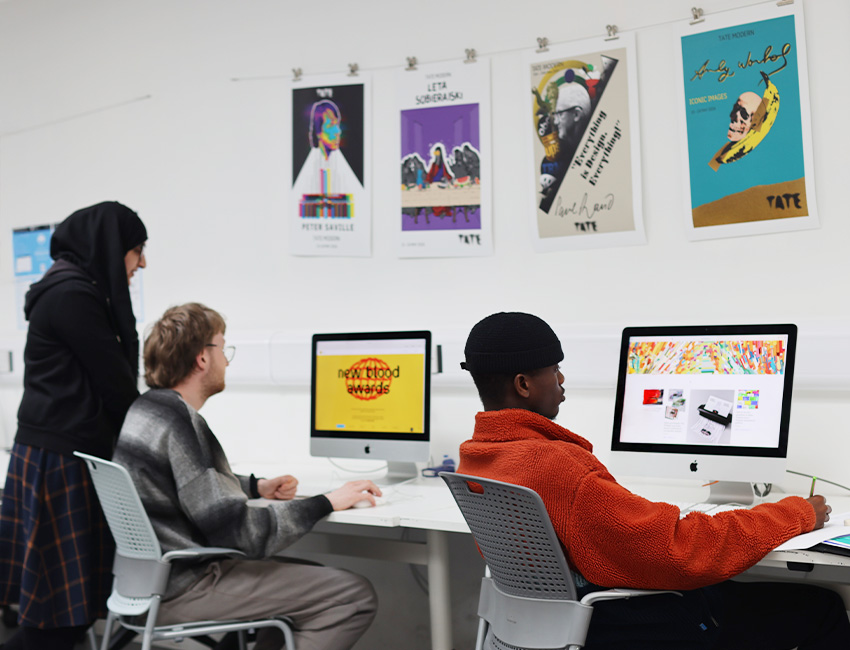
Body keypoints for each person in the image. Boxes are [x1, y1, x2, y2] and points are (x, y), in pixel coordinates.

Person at [457, 311, 850, 650]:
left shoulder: (478, 458)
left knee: (731, 592)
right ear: (524, 384)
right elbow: (678, 549)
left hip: (554, 624)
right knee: (824, 608)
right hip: (631, 627)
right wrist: (795, 514)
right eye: (553, 370)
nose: (562, 380)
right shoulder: (557, 467)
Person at [112, 303, 379, 650]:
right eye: (223, 348)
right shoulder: (181, 422)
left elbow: (189, 480)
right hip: (184, 586)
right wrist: (326, 502)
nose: (226, 360)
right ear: (202, 359)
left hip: (142, 583)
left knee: (308, 584)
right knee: (351, 595)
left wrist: (256, 486)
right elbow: (240, 533)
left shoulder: (148, 409)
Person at [0, 201, 148, 650]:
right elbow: (116, 385)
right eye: (136, 249)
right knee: (56, 619)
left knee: (62, 616)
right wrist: (164, 435)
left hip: (57, 456)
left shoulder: (74, 290)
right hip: (59, 463)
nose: (142, 262)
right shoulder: (73, 296)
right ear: (109, 247)